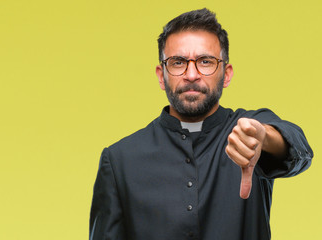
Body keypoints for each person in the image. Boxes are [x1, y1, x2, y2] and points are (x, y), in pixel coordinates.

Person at [89, 8, 313, 240]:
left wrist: (264, 138)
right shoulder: (119, 160)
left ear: (226, 74)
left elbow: (297, 149)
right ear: (161, 75)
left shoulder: (248, 133)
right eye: (178, 62)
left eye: (205, 62)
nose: (192, 74)